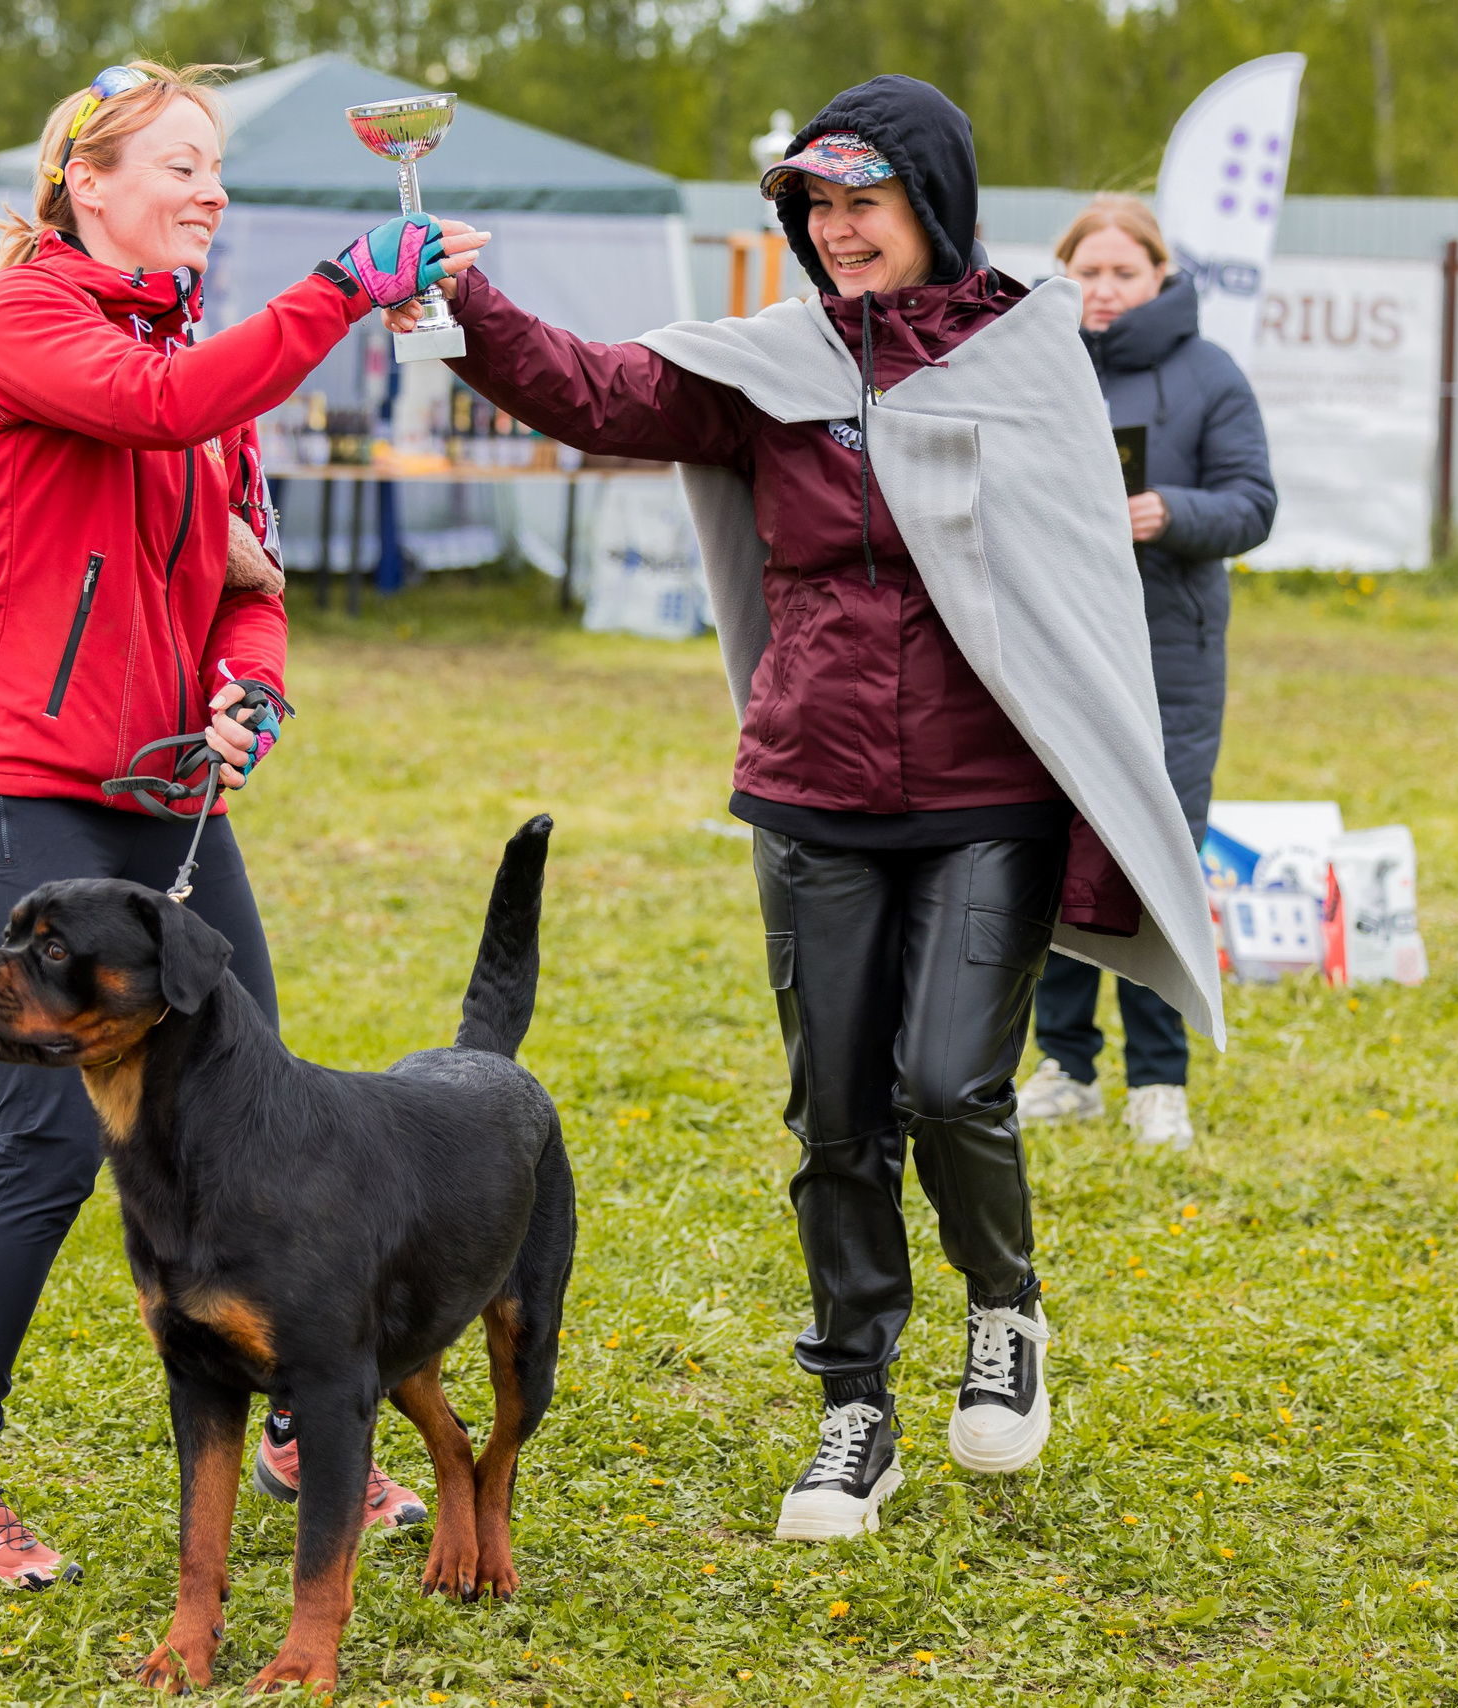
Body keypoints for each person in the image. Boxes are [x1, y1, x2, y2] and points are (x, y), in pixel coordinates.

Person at [400, 76, 1220, 1541]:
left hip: (993, 794)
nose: (840, 234)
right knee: (836, 1117)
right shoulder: (771, 365)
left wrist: (1115, 805)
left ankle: (1006, 1311)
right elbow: (597, 391)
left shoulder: (1028, 355)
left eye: (867, 204)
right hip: (813, 790)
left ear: (935, 205)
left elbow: (1085, 593)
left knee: (951, 1084)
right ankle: (855, 1409)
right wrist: (468, 304)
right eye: (817, 208)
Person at [0, 60, 490, 1588]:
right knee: (45, 1147)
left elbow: (250, 588)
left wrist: (249, 692)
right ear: (88, 182)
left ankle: (297, 1424)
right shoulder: (27, 317)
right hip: (16, 786)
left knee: (267, 1115)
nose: (210, 191)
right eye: (180, 165)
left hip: (166, 807)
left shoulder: (215, 365)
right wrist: (345, 287)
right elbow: (156, 404)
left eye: (218, 170)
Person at [1017, 196, 1276, 1150]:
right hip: (1056, 645)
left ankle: (1159, 1080)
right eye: (1089, 271)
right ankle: (1067, 1064)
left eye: (1126, 272)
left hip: (1171, 655)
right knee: (1052, 852)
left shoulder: (1211, 377)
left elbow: (1254, 504)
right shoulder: (1035, 372)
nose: (1106, 290)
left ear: (1161, 277)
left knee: (1155, 856)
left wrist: (1167, 511)